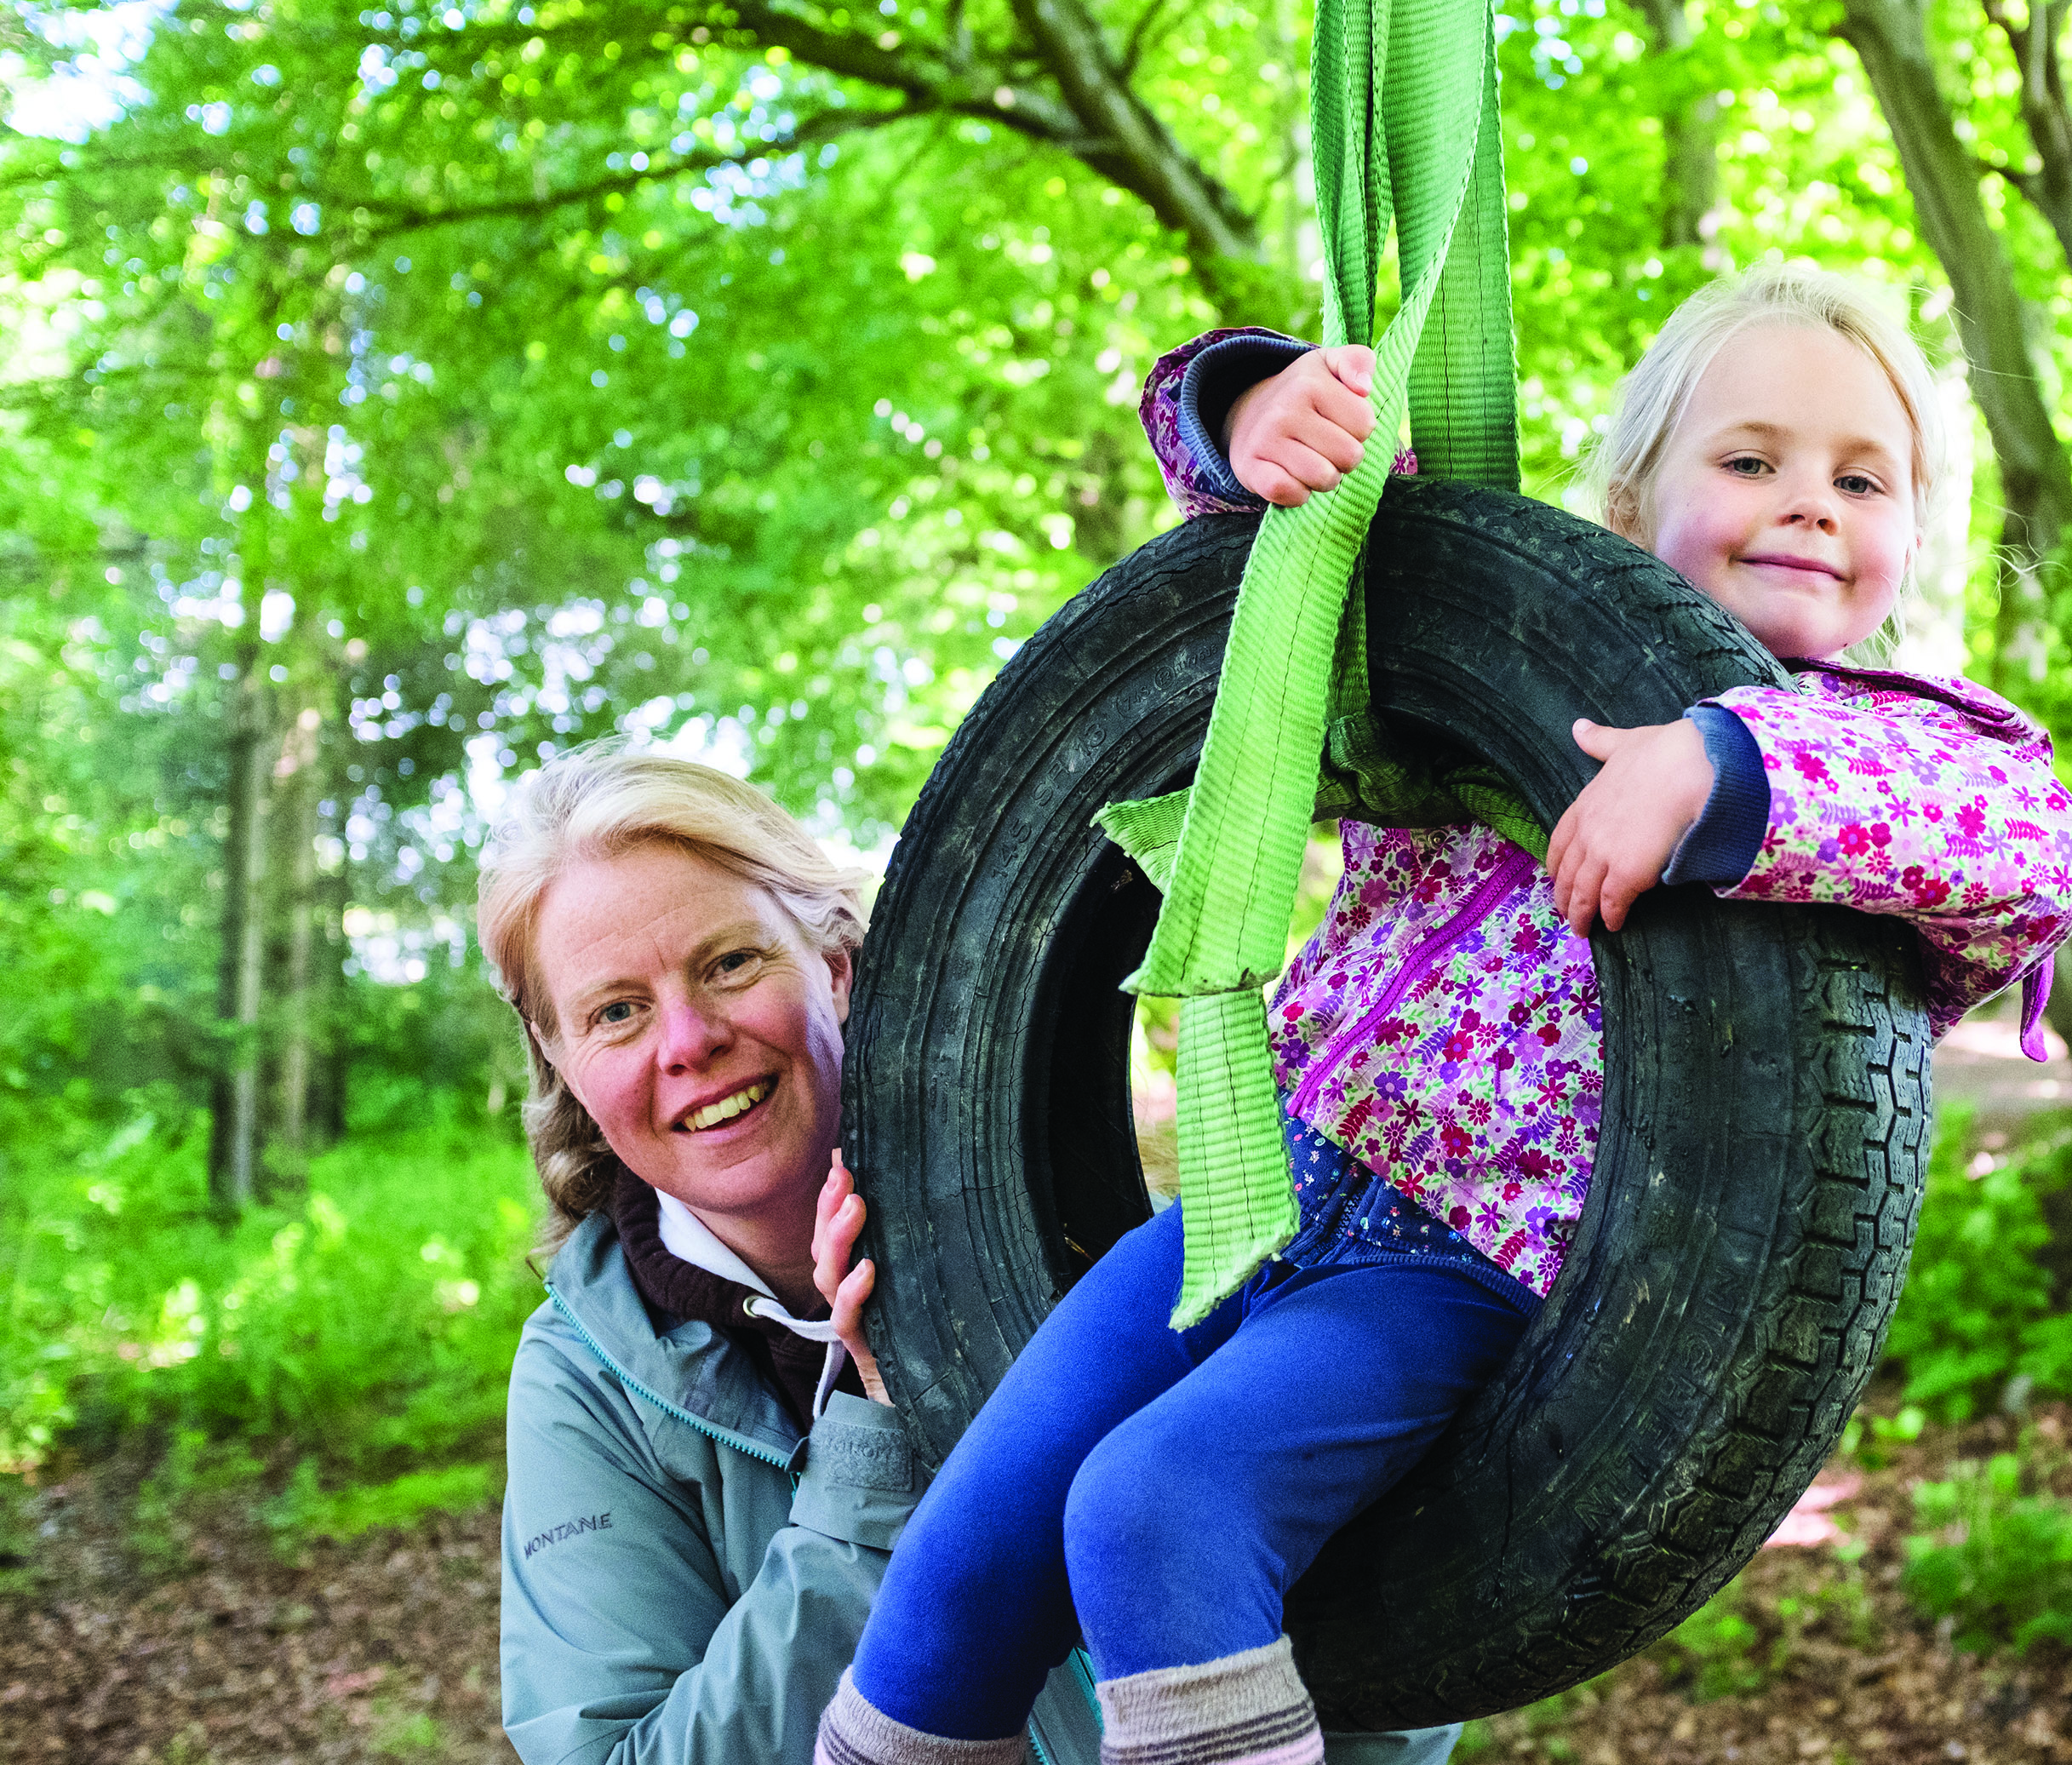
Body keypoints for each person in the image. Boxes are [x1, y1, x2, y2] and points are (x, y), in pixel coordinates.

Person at [816, 266, 2072, 1765]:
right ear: (1627, 503)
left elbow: (2028, 844)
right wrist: (1255, 408)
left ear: (1910, 535)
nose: (1807, 503)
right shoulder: (1493, 650)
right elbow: (1313, 546)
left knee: (1156, 1503)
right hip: (1254, 1188)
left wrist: (1720, 769)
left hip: (1462, 1270)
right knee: (977, 1526)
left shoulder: (1888, 744)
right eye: (1748, 460)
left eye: (1860, 478)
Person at [482, 745, 1462, 1765]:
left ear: (835, 965)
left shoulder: (1133, 1228)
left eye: (729, 963)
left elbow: (1389, 1646)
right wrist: (881, 1441)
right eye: (615, 1012)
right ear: (561, 1058)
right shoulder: (588, 1376)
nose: (686, 1040)